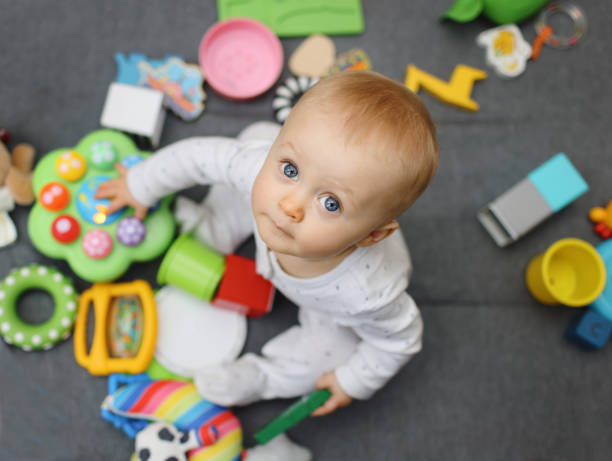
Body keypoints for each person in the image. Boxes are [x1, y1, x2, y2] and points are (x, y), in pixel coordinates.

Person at [96, 70, 439, 460]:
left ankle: (258, 377)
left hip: (328, 306)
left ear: (372, 235)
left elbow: (400, 340)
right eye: (291, 169)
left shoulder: (370, 294)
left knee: (330, 354)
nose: (290, 205)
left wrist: (352, 381)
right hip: (266, 221)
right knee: (247, 171)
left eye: (331, 204)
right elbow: (195, 157)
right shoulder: (262, 170)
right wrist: (140, 184)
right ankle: (214, 225)